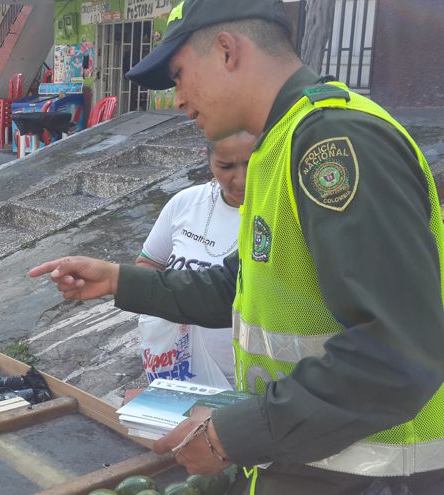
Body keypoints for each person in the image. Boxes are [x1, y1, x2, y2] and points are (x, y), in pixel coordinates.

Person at [30, 0, 444, 493]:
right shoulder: (278, 145)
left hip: (370, 475)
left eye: (179, 75)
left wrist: (236, 434)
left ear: (227, 50)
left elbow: (399, 348)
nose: (178, 100)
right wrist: (119, 280)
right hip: (310, 459)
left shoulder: (334, 142)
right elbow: (241, 284)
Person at [135, 132, 254, 388]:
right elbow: (148, 265)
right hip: (179, 367)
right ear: (208, 159)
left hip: (248, 377)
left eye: (253, 161)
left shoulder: (282, 214)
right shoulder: (185, 203)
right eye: (226, 166)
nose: (242, 179)